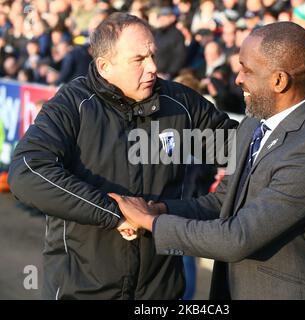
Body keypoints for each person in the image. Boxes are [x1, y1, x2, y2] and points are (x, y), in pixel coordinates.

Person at [109, 22, 305, 300]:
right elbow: (222, 202)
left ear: (279, 81)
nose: (238, 79)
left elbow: (237, 237)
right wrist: (161, 209)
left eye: (246, 69)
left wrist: (150, 222)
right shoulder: (253, 123)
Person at [8, 13, 236, 300]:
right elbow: (27, 172)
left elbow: (242, 153)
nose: (153, 67)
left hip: (159, 293)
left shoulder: (181, 104)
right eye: (139, 60)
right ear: (105, 66)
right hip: (81, 290)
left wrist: (190, 211)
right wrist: (115, 214)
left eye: (152, 55)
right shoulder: (73, 105)